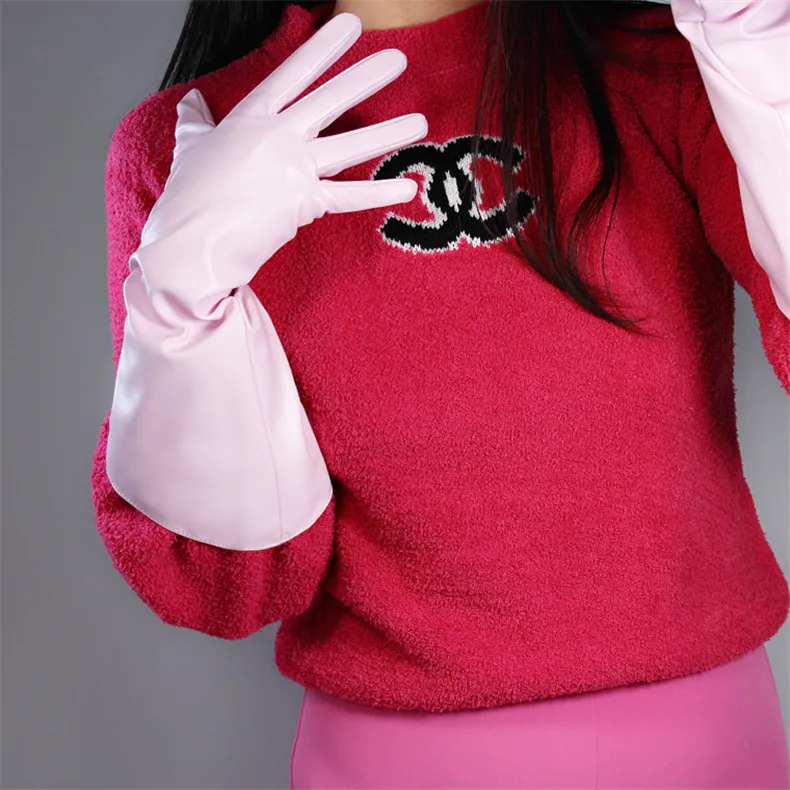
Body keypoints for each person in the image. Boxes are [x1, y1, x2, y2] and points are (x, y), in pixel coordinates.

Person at [91, 0, 790, 786]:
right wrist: (180, 305)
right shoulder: (191, 143)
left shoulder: (663, 62)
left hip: (706, 751)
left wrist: (760, 49)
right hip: (391, 762)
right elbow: (219, 585)